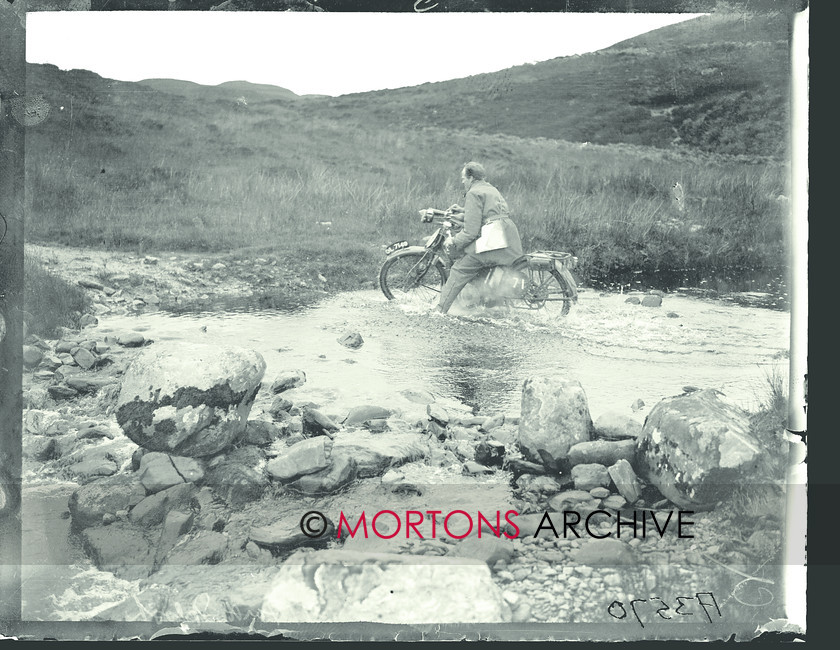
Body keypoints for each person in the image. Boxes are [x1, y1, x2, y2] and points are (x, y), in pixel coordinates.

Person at [436, 162, 525, 314]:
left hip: (495, 238)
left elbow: (470, 232)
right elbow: (489, 212)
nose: (462, 181)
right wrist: (464, 211)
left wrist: (454, 241)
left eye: (463, 178)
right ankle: (488, 300)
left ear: (471, 178)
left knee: (460, 269)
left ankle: (439, 311)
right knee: (481, 266)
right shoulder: (490, 188)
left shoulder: (473, 193)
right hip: (508, 233)